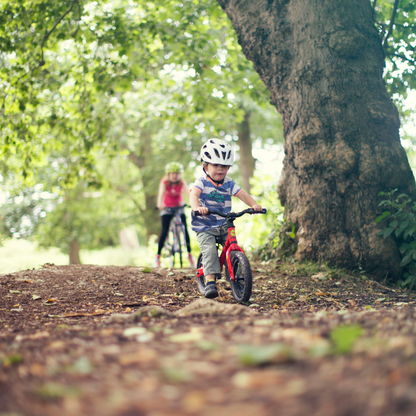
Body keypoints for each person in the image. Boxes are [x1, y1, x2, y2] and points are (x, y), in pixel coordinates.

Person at [190, 138, 262, 299]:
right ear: (205, 166)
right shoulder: (201, 181)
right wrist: (197, 208)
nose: (220, 169)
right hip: (205, 225)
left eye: (224, 166)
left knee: (232, 245)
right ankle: (209, 282)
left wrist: (254, 205)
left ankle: (235, 274)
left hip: (223, 222)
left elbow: (242, 194)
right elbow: (193, 194)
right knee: (209, 251)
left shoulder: (229, 183)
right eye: (215, 165)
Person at [156, 162, 195, 268]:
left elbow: (189, 193)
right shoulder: (164, 182)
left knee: (185, 229)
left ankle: (190, 255)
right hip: (166, 207)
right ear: (168, 174)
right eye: (172, 173)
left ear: (180, 175)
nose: (174, 176)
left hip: (179, 206)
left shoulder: (181, 182)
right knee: (164, 231)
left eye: (177, 173)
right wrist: (159, 204)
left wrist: (193, 203)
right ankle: (158, 257)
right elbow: (161, 194)